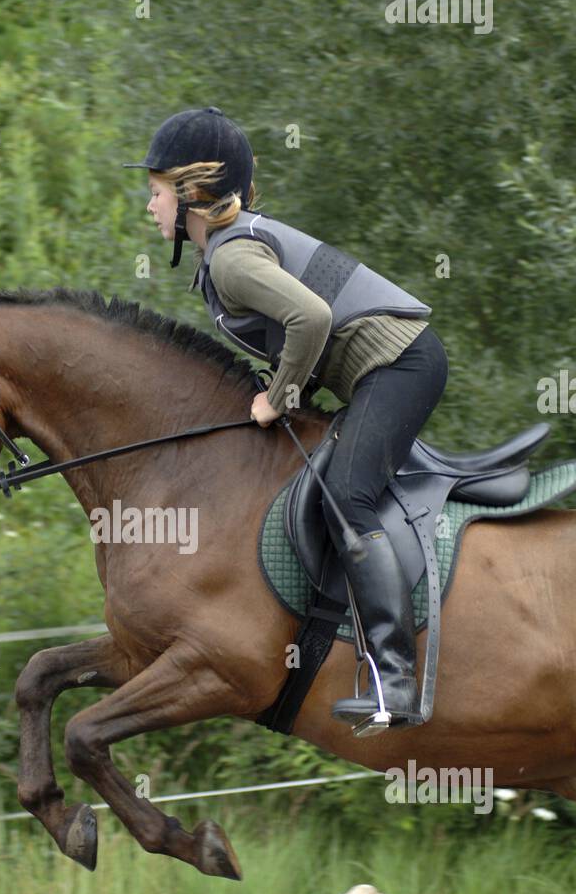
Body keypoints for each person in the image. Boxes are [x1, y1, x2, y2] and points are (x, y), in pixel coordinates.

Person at [124, 106, 448, 733]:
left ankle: (396, 679)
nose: (150, 206)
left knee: (345, 496)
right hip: (385, 366)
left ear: (192, 194)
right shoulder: (229, 247)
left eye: (156, 192)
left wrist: (277, 397)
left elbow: (313, 320)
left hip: (402, 365)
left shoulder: (230, 260)